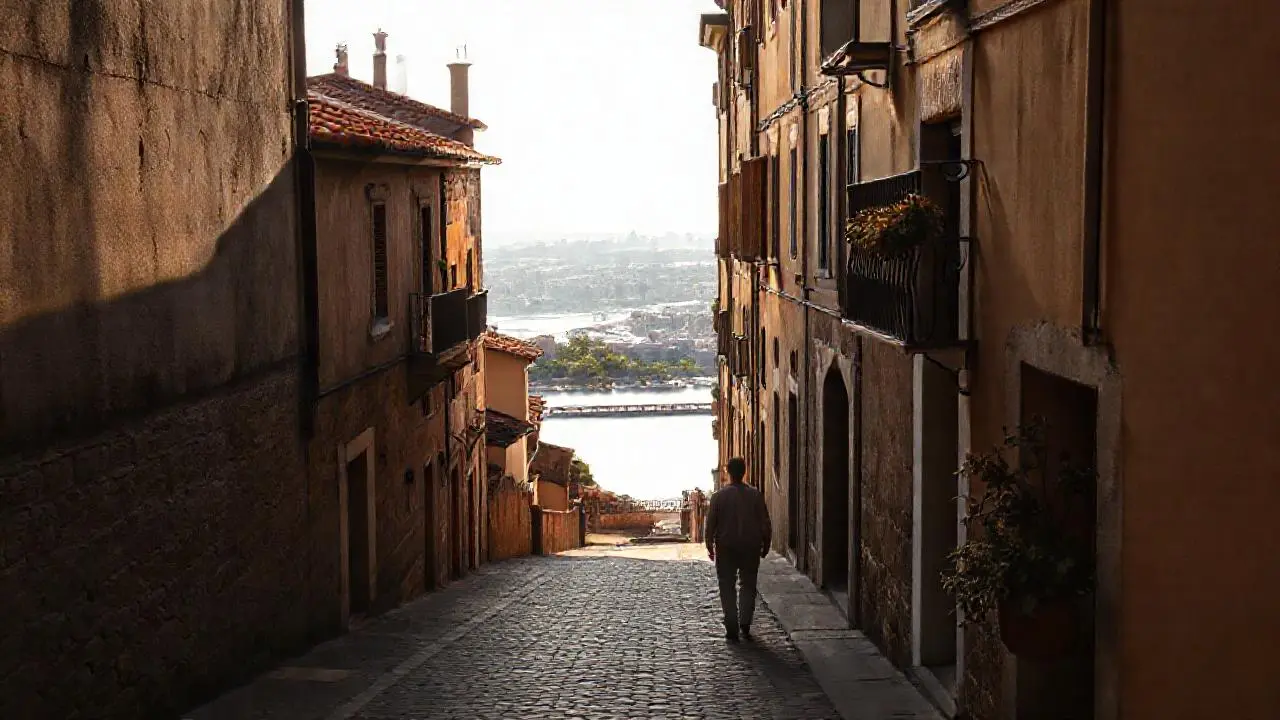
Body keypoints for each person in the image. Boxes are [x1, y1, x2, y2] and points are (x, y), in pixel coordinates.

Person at [704, 456, 772, 641]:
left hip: (726, 547)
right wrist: (766, 542)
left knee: (726, 585)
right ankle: (745, 622)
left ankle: (731, 624)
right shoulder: (755, 495)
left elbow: (711, 523)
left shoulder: (718, 497)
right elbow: (764, 521)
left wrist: (709, 543)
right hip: (750, 546)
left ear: (727, 472)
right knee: (748, 584)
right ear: (744, 472)